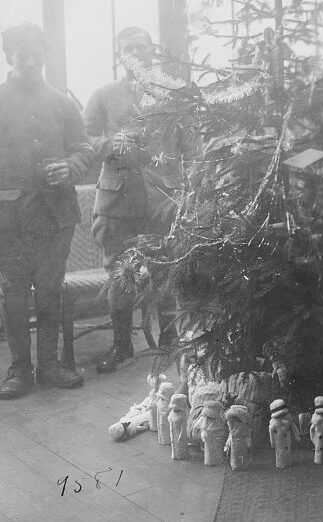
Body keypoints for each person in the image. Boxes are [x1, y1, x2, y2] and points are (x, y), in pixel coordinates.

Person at [84, 27, 200, 373]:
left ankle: (169, 343)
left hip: (163, 202)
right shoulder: (103, 95)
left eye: (142, 48)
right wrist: (114, 143)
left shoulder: (173, 94)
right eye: (128, 50)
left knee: (165, 273)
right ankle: (121, 347)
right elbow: (86, 142)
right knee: (121, 275)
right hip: (118, 204)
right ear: (119, 56)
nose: (136, 55)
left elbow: (193, 147)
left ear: (153, 52)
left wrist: (189, 186)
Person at [0, 23, 93, 398]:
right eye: (20, 51)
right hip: (10, 219)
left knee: (50, 290)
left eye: (35, 52)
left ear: (43, 56)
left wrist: (70, 166)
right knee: (15, 293)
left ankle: (50, 365)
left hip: (55, 216)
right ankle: (20, 369)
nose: (28, 58)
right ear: (9, 56)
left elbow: (84, 149)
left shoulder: (62, 102)